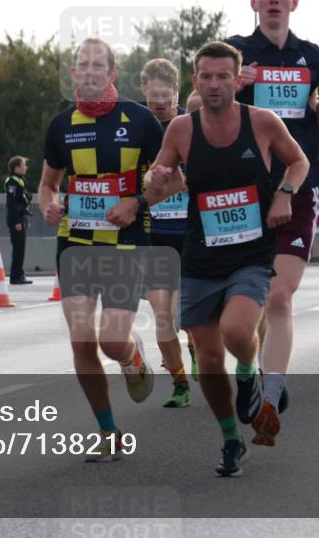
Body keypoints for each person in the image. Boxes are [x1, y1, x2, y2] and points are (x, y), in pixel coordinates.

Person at [148, 41, 308, 475]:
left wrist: (283, 195)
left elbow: (298, 162)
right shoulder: (181, 129)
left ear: (238, 81)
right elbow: (159, 187)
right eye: (206, 76)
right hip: (201, 254)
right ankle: (231, 439)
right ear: (195, 81)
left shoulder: (262, 122)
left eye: (223, 76)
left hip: (250, 253)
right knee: (208, 358)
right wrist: (156, 178)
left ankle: (249, 377)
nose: (215, 84)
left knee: (238, 330)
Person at [38, 38, 165, 462]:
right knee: (80, 341)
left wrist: (137, 203)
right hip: (74, 244)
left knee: (111, 341)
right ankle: (108, 432)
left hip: (125, 244)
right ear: (73, 74)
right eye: (82, 65)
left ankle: (131, 356)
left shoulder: (142, 120)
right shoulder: (61, 125)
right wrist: (48, 205)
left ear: (113, 73)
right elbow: (47, 182)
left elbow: (174, 180)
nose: (89, 70)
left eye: (98, 65)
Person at [222, 0, 319, 421]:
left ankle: (270, 393)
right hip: (245, 190)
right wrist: (234, 85)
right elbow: (196, 105)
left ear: (294, 3)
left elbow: (309, 110)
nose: (273, 0)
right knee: (249, 302)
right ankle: (251, 367)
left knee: (279, 296)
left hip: (298, 184)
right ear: (253, 3)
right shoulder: (235, 51)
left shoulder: (311, 55)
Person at [140, 58, 196, 406]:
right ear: (143, 91)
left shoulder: (191, 125)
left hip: (191, 233)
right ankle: (180, 384)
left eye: (166, 94)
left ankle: (195, 343)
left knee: (187, 315)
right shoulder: (137, 130)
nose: (159, 101)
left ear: (177, 91)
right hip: (153, 234)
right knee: (163, 315)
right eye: (152, 94)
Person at [5, 155, 33, 284]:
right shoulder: (13, 181)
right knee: (18, 249)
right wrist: (16, 221)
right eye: (23, 165)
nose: (25, 167)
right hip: (16, 220)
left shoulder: (20, 180)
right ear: (16, 168)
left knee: (21, 249)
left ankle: (20, 275)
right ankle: (15, 277)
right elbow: (11, 203)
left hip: (21, 217)